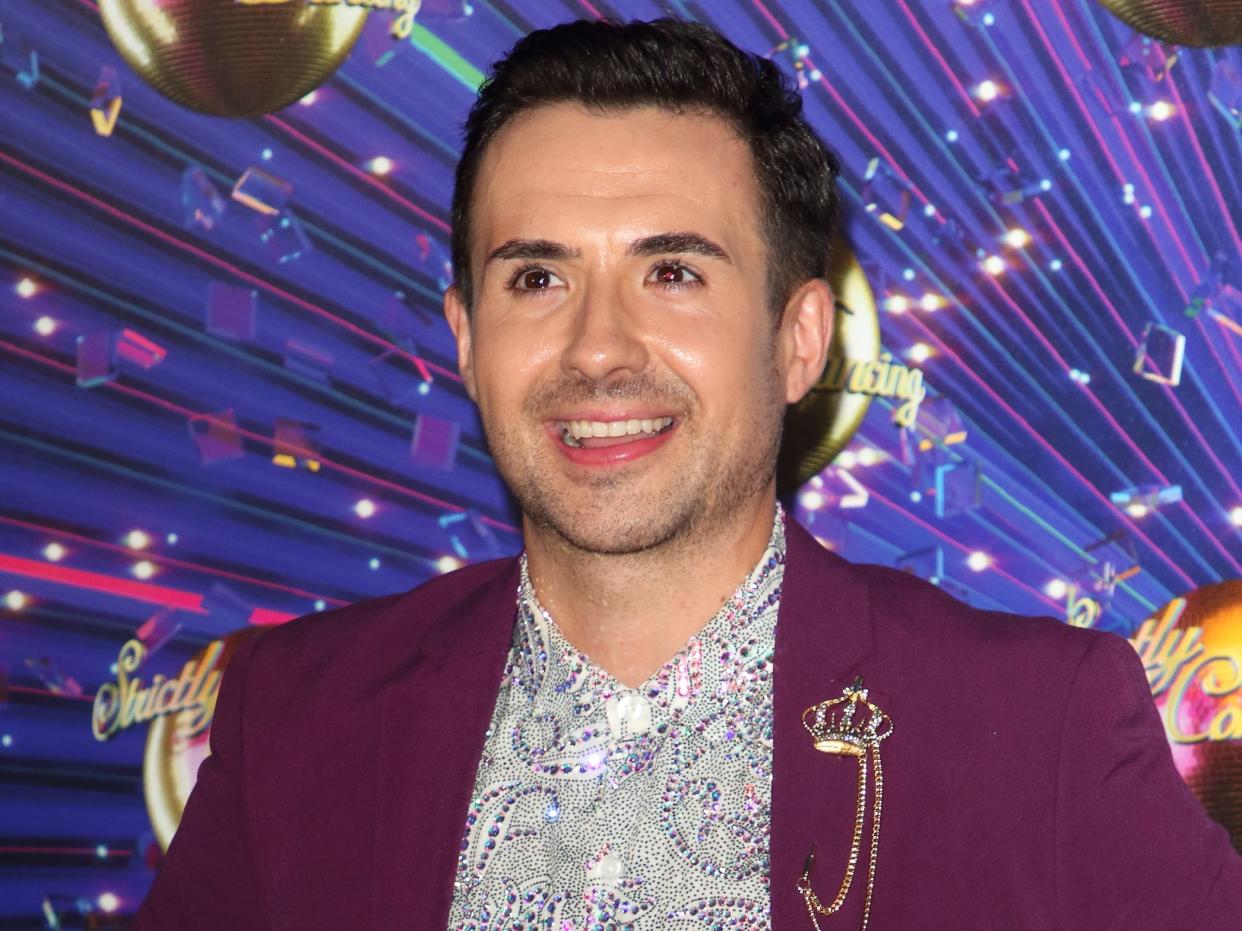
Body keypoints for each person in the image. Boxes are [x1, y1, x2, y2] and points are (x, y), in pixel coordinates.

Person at [134, 18, 1242, 931]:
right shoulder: (295, 721)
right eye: (536, 279)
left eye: (671, 271)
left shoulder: (1038, 728)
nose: (599, 348)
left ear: (801, 338)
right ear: (466, 338)